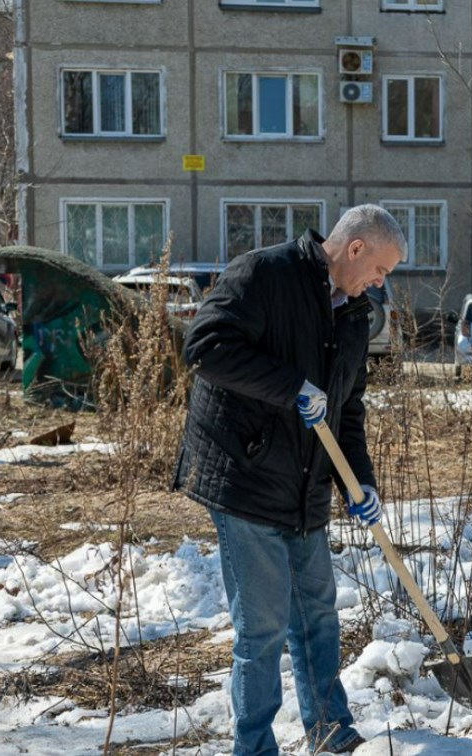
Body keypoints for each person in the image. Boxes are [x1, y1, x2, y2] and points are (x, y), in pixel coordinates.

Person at [172, 205, 406, 755]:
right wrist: (291, 387)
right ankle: (254, 748)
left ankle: (329, 728)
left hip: (305, 484)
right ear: (354, 249)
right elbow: (204, 348)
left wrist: (361, 483)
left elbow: (348, 409)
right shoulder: (263, 275)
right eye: (382, 269)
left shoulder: (354, 314)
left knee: (319, 615)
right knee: (263, 629)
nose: (381, 281)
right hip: (243, 475)